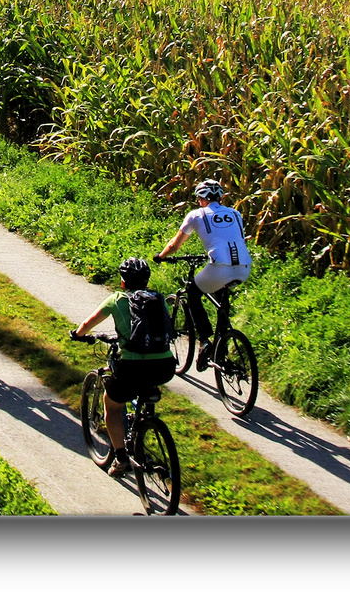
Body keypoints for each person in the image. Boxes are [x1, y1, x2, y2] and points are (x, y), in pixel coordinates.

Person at [70, 257, 177, 476]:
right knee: (144, 387)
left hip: (133, 367)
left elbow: (87, 324)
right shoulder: (159, 299)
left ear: (122, 282)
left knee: (112, 404)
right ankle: (146, 423)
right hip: (165, 365)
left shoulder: (116, 299)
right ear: (147, 281)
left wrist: (78, 335)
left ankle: (120, 459)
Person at [154, 179, 251, 372]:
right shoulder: (236, 213)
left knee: (193, 292)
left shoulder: (196, 215)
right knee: (221, 295)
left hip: (219, 266)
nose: (198, 201)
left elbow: (175, 244)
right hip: (244, 267)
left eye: (198, 198)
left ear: (202, 198)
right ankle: (221, 343)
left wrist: (161, 256)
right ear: (220, 197)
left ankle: (205, 340)